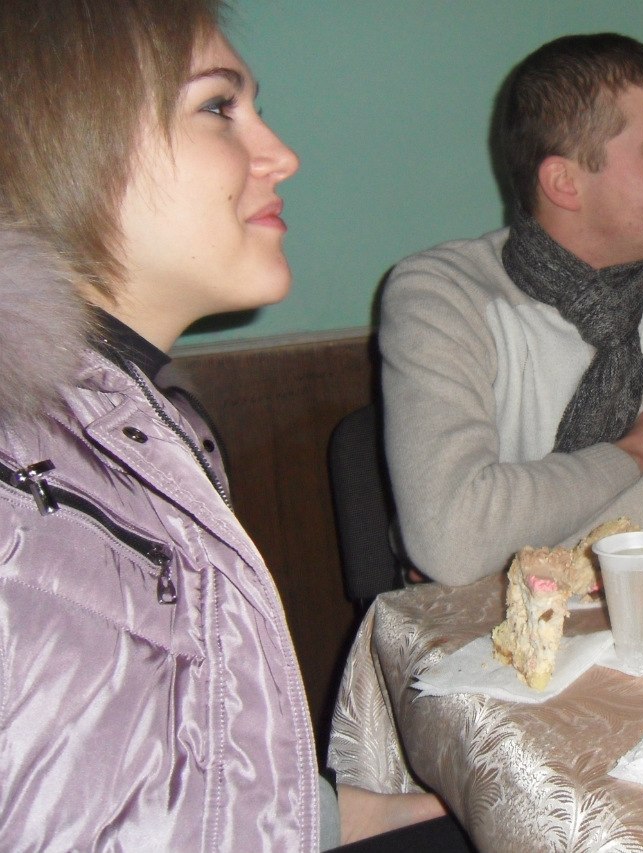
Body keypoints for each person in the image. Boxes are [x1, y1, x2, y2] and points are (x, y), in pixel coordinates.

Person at [1, 3, 467, 849]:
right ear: (68, 142)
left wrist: (427, 809)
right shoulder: (21, 488)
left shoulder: (143, 428)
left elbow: (185, 797)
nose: (282, 155)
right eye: (218, 106)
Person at [378, 33, 643, 587]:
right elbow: (454, 539)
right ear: (565, 183)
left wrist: (510, 548)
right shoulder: (441, 296)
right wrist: (634, 456)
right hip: (485, 628)